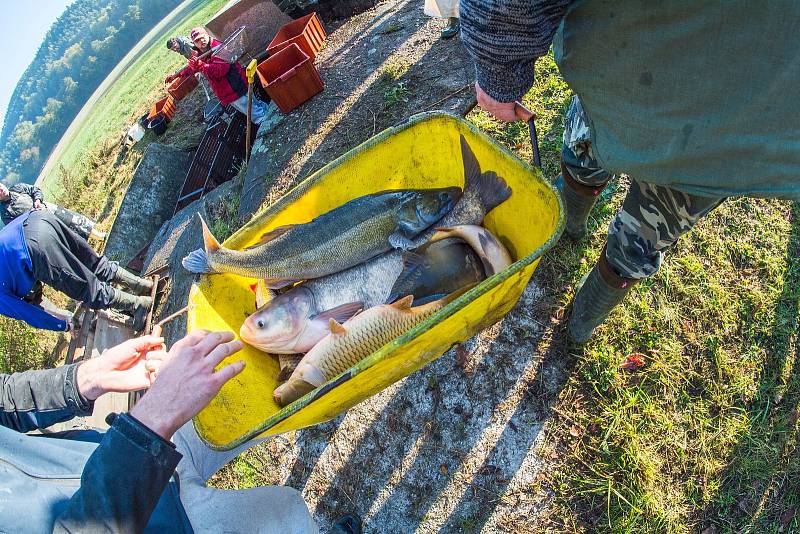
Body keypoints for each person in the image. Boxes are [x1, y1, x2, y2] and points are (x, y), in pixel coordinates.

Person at [459, 1, 800, 343]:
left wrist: (498, 75)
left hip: (629, 72)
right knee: (641, 237)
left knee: (590, 158)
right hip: (750, 127)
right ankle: (579, 319)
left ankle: (570, 252)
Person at [0, 330, 321, 532]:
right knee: (289, 511)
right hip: (161, 520)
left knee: (241, 393)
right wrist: (150, 422)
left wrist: (86, 380)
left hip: (112, 453)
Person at [0, 209, 154, 332]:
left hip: (35, 248)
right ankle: (143, 285)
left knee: (86, 290)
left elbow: (27, 313)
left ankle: (138, 305)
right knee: (93, 263)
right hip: (38, 219)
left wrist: (62, 325)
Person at [165, 27, 270, 125]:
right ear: (194, 43)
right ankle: (271, 115)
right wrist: (176, 75)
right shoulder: (201, 53)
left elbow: (220, 70)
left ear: (207, 35)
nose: (201, 41)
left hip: (234, 88)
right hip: (232, 88)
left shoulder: (219, 48)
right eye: (197, 40)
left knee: (255, 113)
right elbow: (191, 68)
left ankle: (268, 125)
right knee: (256, 105)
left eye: (202, 37)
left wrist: (202, 66)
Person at [0, 181, 106, 240]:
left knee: (75, 221)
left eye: (0, 186)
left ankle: (100, 237)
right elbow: (18, 228)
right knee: (67, 237)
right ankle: (93, 256)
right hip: (42, 225)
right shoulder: (5, 213)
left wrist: (37, 200)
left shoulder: (18, 188)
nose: (1, 190)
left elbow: (35, 190)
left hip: (50, 209)